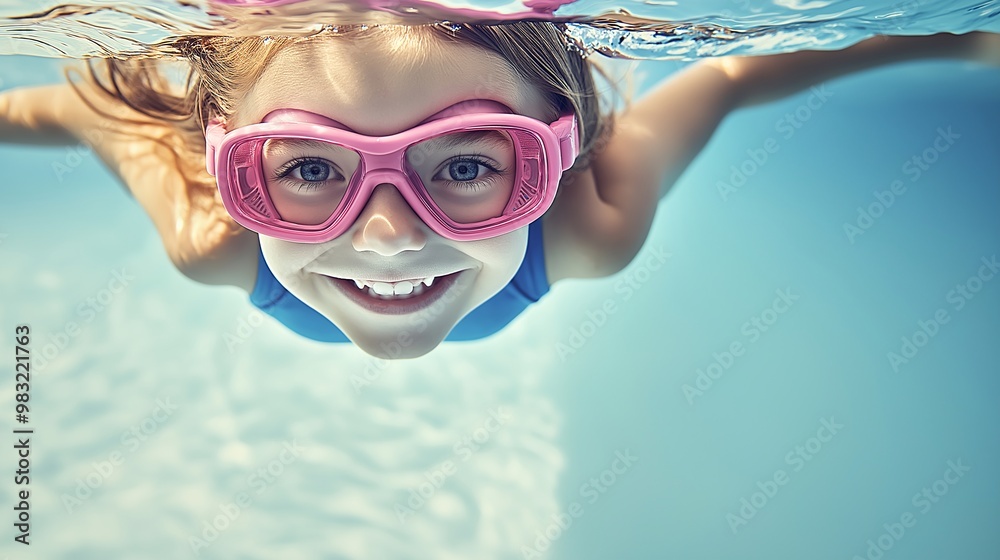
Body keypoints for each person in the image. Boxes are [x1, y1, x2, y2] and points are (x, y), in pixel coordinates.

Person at [0, 21, 996, 358]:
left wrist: (950, 29)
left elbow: (726, 78)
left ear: (555, 153)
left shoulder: (587, 222)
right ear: (233, 165)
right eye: (308, 166)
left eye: (467, 163)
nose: (387, 237)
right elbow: (94, 113)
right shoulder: (215, 231)